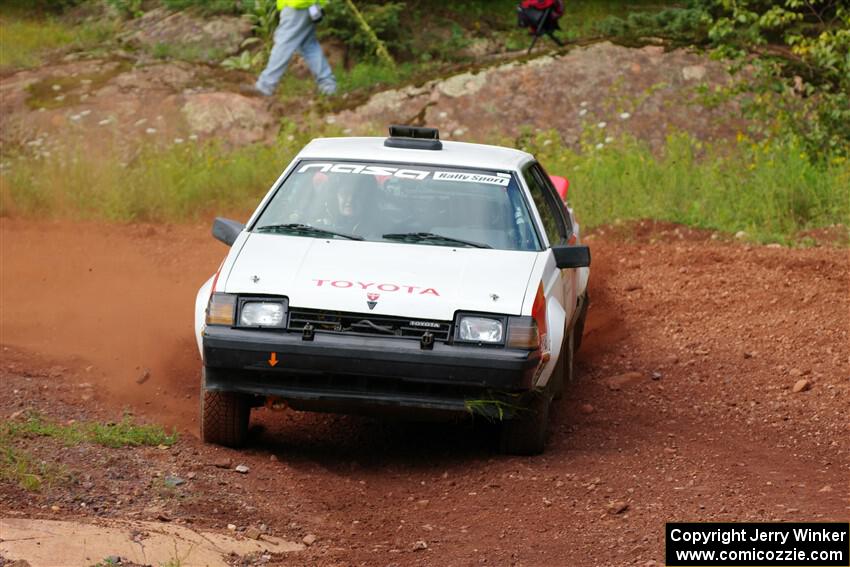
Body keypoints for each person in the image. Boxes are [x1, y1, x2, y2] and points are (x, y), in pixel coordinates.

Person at [254, 0, 337, 97]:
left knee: (283, 45)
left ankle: (264, 87)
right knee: (309, 45)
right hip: (309, 5)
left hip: (297, 5)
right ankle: (328, 86)